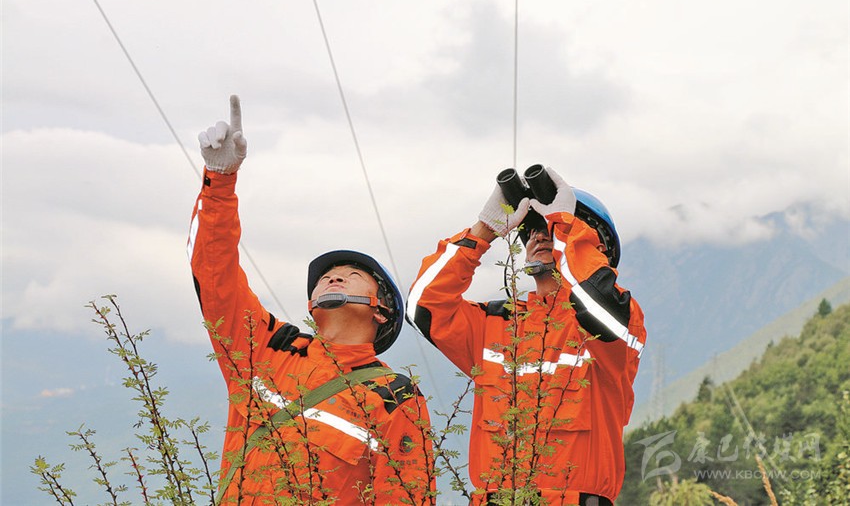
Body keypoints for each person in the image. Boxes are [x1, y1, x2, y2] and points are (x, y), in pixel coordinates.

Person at [187, 95, 435, 505]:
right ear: (310, 308)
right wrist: (220, 181)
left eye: (352, 275)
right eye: (324, 278)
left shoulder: (395, 396)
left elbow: (407, 497)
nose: (332, 277)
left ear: (382, 310)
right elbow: (214, 276)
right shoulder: (267, 349)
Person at [406, 165, 646, 505]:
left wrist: (564, 225)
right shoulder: (494, 324)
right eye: (533, 230)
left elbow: (598, 299)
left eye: (551, 228)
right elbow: (422, 306)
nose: (540, 236)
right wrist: (483, 230)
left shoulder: (615, 325)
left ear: (595, 247)